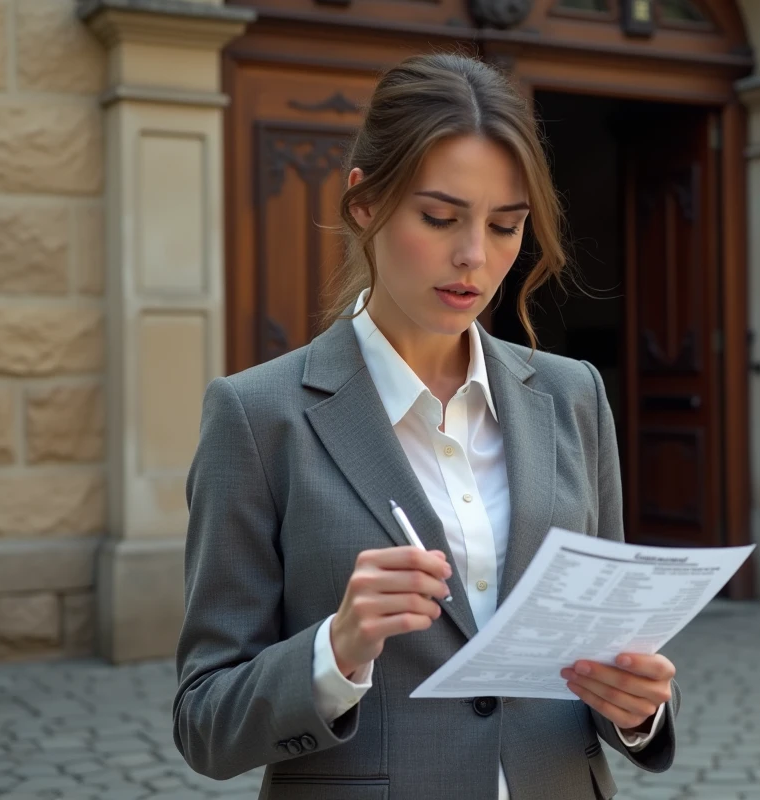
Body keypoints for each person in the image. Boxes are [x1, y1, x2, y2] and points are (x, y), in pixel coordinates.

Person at [172, 52, 681, 800]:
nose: (474, 256)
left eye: (506, 226)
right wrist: (335, 650)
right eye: (440, 218)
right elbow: (204, 723)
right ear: (364, 205)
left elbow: (608, 651)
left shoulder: (574, 396)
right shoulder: (258, 417)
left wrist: (639, 708)